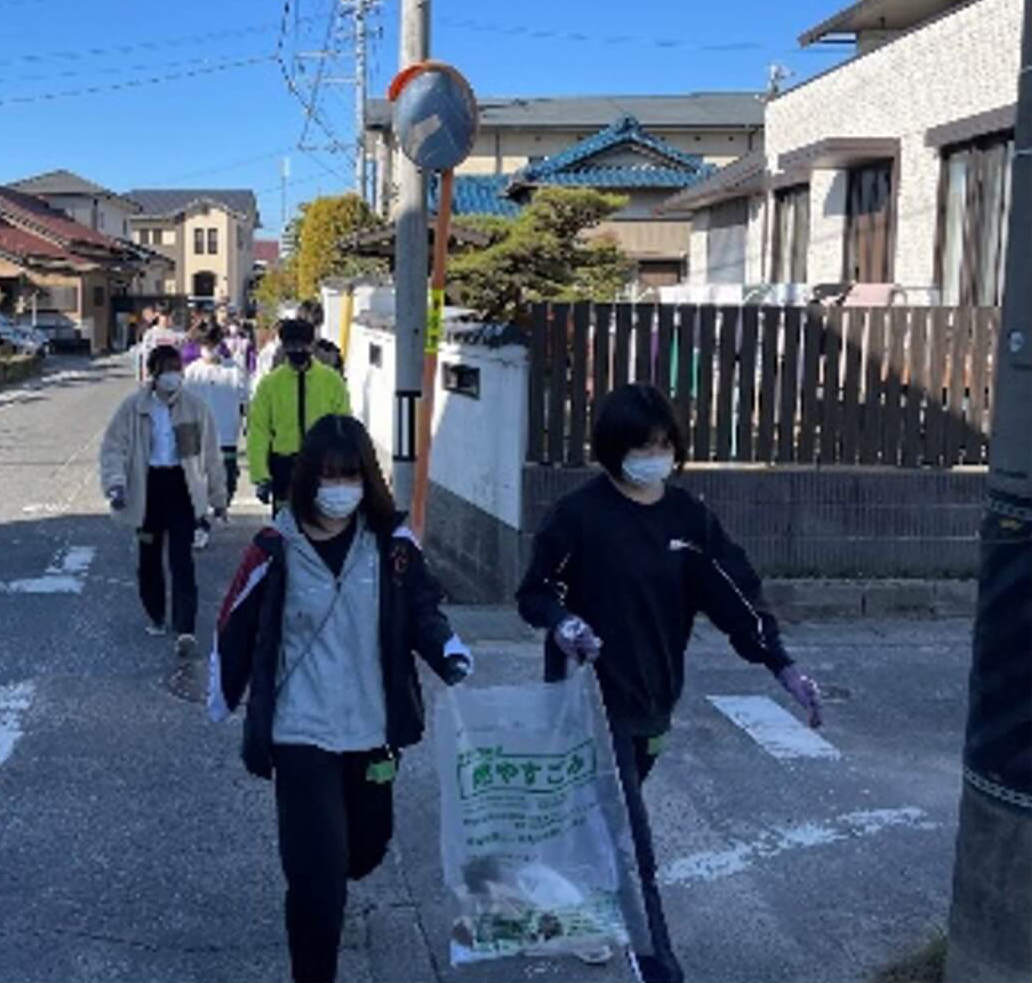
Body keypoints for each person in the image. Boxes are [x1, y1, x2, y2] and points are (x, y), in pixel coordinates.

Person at [515, 383, 825, 983]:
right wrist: (563, 621)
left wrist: (780, 663)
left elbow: (735, 594)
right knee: (631, 837)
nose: (653, 455)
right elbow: (536, 591)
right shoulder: (578, 515)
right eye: (639, 445)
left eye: (662, 444)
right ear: (611, 449)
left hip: (655, 695)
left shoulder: (689, 519)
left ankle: (579, 904)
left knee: (604, 824)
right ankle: (658, 964)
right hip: (589, 700)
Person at [208, 414, 473, 983]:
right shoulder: (275, 546)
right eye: (328, 476)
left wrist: (447, 648)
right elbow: (235, 620)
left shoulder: (392, 548)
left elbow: (422, 608)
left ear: (366, 479)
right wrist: (223, 692)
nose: (339, 488)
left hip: (373, 729)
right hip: (300, 729)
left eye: (350, 475)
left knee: (365, 851)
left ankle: (335, 887)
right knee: (315, 879)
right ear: (307, 478)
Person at [100, 344, 228, 658]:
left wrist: (218, 497)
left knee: (182, 560)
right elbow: (113, 449)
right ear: (153, 374)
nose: (173, 377)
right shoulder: (133, 408)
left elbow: (210, 455)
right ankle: (156, 613)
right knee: (149, 558)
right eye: (166, 370)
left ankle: (185, 627)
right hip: (148, 489)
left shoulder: (194, 407)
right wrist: (115, 486)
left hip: (182, 488)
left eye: (177, 370)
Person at [246, 318, 351, 514]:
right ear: (284, 347)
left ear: (312, 345)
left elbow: (343, 427)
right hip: (284, 467)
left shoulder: (331, 381)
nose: (298, 350)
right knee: (286, 529)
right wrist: (261, 475)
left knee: (322, 526)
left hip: (322, 466)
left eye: (303, 345)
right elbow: (259, 431)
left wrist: (344, 467)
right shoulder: (270, 385)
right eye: (292, 345)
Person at [184, 324, 250, 540]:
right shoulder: (192, 372)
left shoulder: (234, 370)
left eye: (212, 345)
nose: (209, 350)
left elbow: (245, 399)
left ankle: (221, 506)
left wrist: (248, 423)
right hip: (197, 434)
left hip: (226, 433)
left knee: (227, 477)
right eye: (205, 345)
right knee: (197, 480)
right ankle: (199, 522)